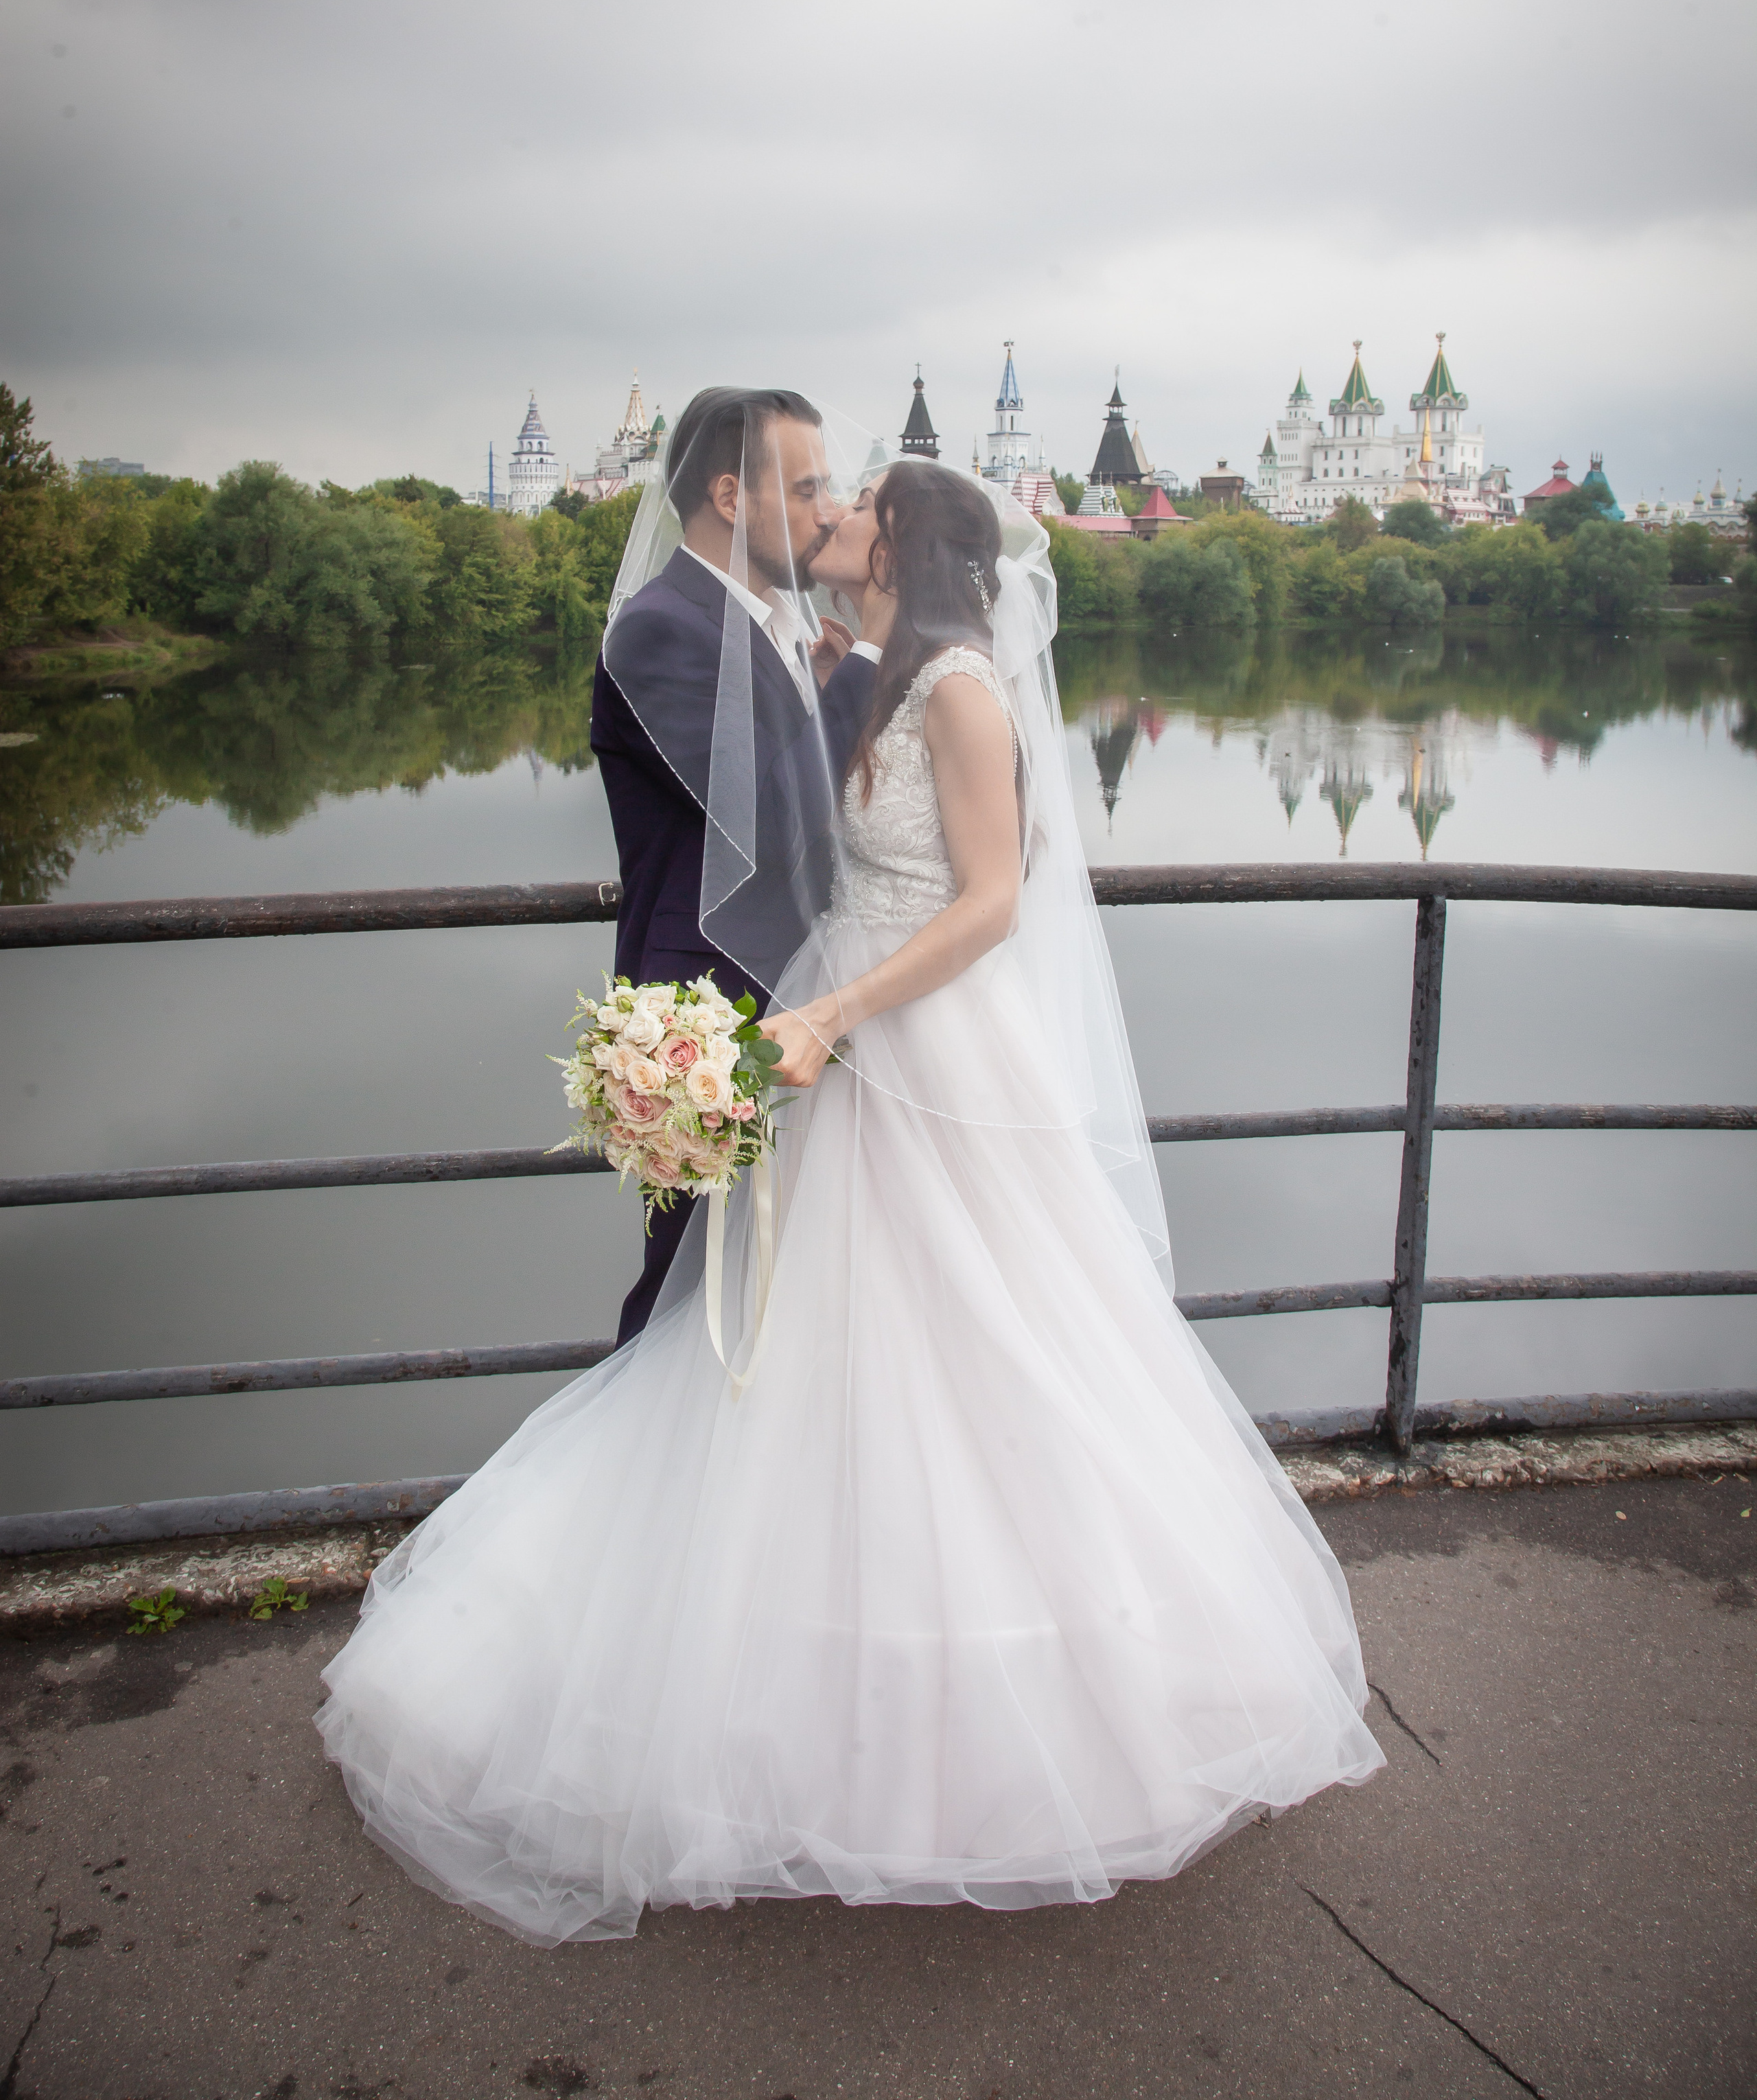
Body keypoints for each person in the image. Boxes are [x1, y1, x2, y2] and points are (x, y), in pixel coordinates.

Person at [316, 454, 1382, 1945]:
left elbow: (991, 900)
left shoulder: (956, 688)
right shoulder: (880, 668)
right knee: (811, 1349)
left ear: (910, 548)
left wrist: (833, 1017)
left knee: (979, 1346)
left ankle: (995, 1698)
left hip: (924, 1048)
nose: (839, 519)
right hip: (843, 1037)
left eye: (863, 506)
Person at [587, 386, 878, 1345]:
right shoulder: (662, 628)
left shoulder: (761, 623)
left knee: (779, 1302)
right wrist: (871, 656)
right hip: (705, 1016)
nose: (828, 511)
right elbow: (771, 818)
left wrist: (829, 689)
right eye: (805, 489)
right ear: (727, 495)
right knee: (683, 1306)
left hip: (790, 1005)